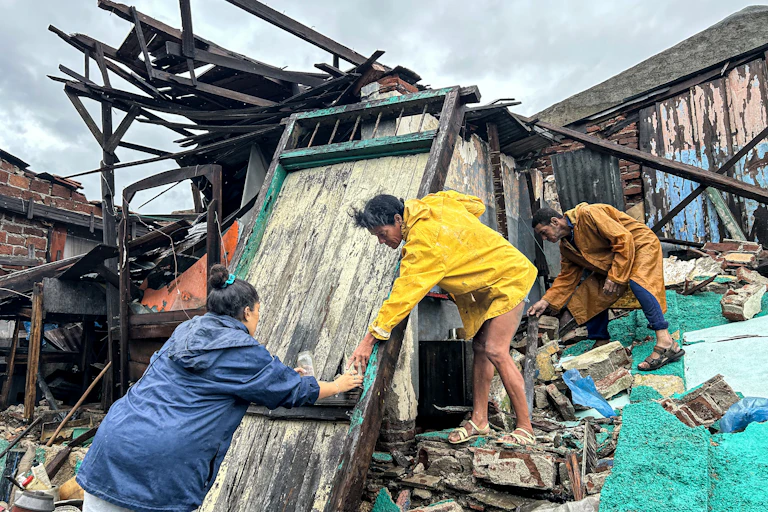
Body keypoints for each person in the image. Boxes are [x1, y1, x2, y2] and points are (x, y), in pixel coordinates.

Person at [77, 264, 362, 512]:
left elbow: (228, 380)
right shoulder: (242, 348)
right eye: (258, 312)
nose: (258, 319)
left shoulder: (185, 331)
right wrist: (338, 384)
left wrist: (283, 377)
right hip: (157, 472)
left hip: (112, 446)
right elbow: (292, 391)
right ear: (247, 312)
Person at [348, 191, 538, 446]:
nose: (382, 241)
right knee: (480, 347)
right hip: (494, 279)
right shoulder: (435, 203)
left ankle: (525, 428)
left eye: (383, 234)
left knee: (495, 349)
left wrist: (369, 340)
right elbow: (476, 206)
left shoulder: (422, 245)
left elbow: (402, 297)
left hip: (510, 278)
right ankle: (480, 421)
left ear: (397, 219)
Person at [528, 204, 683, 371]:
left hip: (640, 244)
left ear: (554, 221)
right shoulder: (566, 247)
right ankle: (601, 340)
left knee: (640, 283)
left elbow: (623, 238)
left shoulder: (588, 214)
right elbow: (566, 278)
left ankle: (666, 342)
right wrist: (546, 301)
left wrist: (615, 275)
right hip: (616, 257)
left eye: (544, 232)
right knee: (592, 292)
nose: (544, 238)